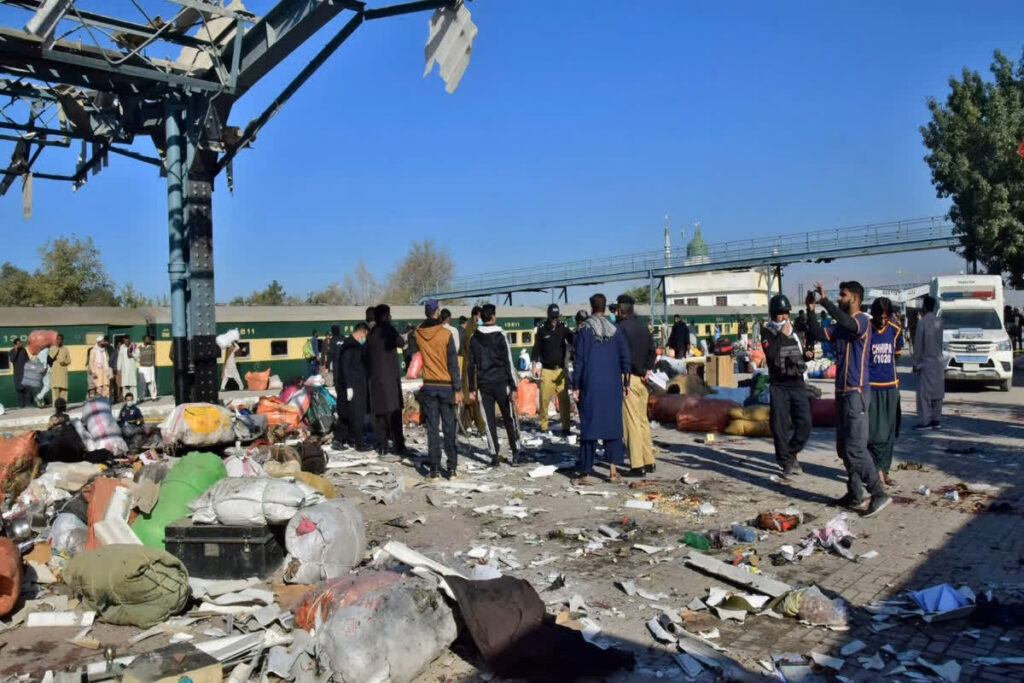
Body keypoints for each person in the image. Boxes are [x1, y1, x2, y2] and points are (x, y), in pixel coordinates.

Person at [806, 281, 890, 517]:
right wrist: (811, 310)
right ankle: (855, 494)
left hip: (856, 393)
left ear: (854, 298)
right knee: (844, 448)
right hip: (842, 392)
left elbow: (847, 323)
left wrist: (824, 301)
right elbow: (817, 332)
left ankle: (878, 493)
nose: (839, 298)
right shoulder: (841, 326)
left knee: (855, 448)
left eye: (842, 295)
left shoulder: (862, 321)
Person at [570, 293, 631, 486]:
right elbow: (625, 359)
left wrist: (576, 386)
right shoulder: (616, 330)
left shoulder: (585, 330)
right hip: (613, 385)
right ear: (605, 308)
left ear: (591, 307)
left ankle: (586, 473)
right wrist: (626, 384)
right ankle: (613, 472)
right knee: (613, 427)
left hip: (591, 385)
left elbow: (578, 361)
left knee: (589, 428)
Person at [762, 293, 817, 479]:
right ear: (773, 314)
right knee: (779, 426)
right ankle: (785, 461)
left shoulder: (795, 330)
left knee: (805, 424)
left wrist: (807, 355)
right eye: (780, 314)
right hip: (779, 384)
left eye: (786, 313)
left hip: (797, 383)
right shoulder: (768, 332)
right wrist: (783, 336)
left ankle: (791, 453)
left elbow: (797, 355)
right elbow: (772, 356)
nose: (784, 317)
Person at [414, 299, 463, 480]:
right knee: (449, 429)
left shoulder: (419, 333)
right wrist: (458, 389)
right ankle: (451, 469)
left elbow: (417, 332)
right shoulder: (446, 334)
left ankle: (434, 470)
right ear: (438, 311)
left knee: (432, 429)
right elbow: (453, 365)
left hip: (429, 386)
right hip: (446, 387)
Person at [467, 304, 520, 467]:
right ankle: (516, 452)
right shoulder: (501, 335)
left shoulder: (474, 337)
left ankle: (494, 455)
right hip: (501, 383)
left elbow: (470, 365)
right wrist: (514, 386)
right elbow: (508, 362)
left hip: (484, 385)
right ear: (493, 317)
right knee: (509, 418)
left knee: (488, 421)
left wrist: (471, 389)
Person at [616, 295, 656, 477]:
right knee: (642, 421)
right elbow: (652, 352)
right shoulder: (643, 327)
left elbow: (624, 357)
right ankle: (649, 461)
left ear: (620, 310)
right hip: (644, 380)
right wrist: (647, 369)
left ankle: (637, 465)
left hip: (629, 379)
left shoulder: (621, 329)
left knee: (631, 422)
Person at [867, 297, 903, 485]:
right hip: (871, 388)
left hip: (891, 387)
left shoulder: (896, 330)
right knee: (873, 432)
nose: (882, 321)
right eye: (879, 317)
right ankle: (874, 469)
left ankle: (885, 470)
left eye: (886, 317)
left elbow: (897, 357)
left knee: (889, 432)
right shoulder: (866, 330)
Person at [366, 304, 406, 455]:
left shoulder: (371, 334)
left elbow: (366, 356)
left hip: (375, 382)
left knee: (379, 416)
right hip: (391, 380)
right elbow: (401, 343)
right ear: (386, 316)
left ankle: (382, 445)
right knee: (395, 415)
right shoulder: (389, 331)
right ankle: (398, 445)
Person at [531, 304, 573, 435]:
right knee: (544, 400)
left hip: (561, 371)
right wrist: (534, 366)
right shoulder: (542, 331)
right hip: (547, 371)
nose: (554, 319)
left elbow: (575, 339)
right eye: (552, 317)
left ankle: (566, 427)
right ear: (548, 316)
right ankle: (544, 426)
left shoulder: (563, 329)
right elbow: (536, 348)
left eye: (556, 317)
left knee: (564, 400)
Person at [333, 323, 371, 451]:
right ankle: (359, 443)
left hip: (357, 384)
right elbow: (346, 367)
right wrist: (349, 386)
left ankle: (349, 438)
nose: (365, 338)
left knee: (350, 413)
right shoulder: (349, 346)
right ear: (361, 332)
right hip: (353, 385)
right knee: (357, 414)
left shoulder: (354, 345)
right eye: (366, 335)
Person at [913, 294, 944, 430]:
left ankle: (925, 420)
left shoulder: (923, 322)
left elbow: (918, 344)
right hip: (938, 360)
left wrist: (915, 362)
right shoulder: (939, 321)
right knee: (938, 393)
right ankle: (936, 419)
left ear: (924, 306)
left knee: (924, 394)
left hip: (926, 362)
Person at [459, 305, 487, 434]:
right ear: (475, 316)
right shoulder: (473, 330)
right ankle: (480, 425)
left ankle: (466, 423)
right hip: (473, 368)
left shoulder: (468, 329)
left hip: (469, 366)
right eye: (480, 316)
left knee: (469, 398)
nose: (481, 318)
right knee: (475, 397)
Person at [49, 333, 72, 403]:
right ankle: (56, 407)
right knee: (55, 390)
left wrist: (64, 362)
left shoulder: (65, 349)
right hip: (55, 372)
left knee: (64, 390)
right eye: (58, 339)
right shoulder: (52, 348)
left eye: (60, 339)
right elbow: (50, 359)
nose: (59, 341)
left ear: (62, 340)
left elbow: (69, 360)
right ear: (56, 340)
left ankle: (63, 407)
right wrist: (56, 349)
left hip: (63, 372)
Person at [9, 339, 30, 408]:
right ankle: (21, 405)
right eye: (18, 343)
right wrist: (16, 351)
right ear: (15, 345)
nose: (19, 344)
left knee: (26, 388)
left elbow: (27, 359)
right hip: (17, 373)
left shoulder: (23, 350)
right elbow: (12, 360)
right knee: (19, 389)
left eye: (20, 343)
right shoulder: (12, 351)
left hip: (25, 372)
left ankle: (28, 404)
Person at [136, 335, 158, 400]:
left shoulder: (152, 348)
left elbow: (153, 357)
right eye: (147, 339)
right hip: (142, 368)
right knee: (142, 384)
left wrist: (153, 365)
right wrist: (140, 361)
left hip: (150, 367)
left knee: (152, 383)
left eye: (149, 339)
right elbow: (137, 357)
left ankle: (154, 397)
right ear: (144, 340)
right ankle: (141, 398)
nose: (149, 340)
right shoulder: (139, 348)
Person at [118, 335, 138, 403]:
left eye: (127, 340)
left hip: (132, 369)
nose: (126, 342)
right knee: (125, 386)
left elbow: (138, 356)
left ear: (129, 340)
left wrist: (132, 355)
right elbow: (120, 358)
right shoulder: (122, 347)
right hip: (124, 370)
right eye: (124, 341)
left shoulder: (134, 346)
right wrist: (119, 368)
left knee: (133, 386)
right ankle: (126, 401)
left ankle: (134, 401)